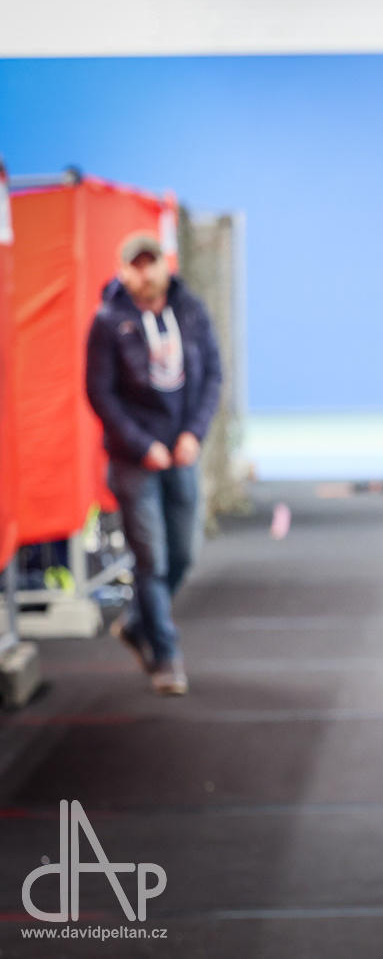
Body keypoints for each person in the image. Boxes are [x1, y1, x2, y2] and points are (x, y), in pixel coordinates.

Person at [86, 233, 222, 696]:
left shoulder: (191, 310)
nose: (145, 273)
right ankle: (165, 655)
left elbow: (213, 375)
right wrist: (142, 444)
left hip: (181, 453)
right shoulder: (108, 320)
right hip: (133, 460)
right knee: (152, 560)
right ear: (123, 270)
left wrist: (193, 434)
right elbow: (100, 393)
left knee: (183, 555)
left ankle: (135, 623)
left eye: (152, 263)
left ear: (165, 265)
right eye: (136, 265)